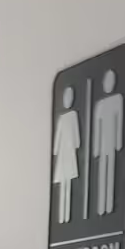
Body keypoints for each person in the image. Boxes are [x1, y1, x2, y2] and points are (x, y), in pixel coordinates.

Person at [92, 68, 125, 216]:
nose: (108, 84)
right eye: (106, 81)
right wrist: (96, 148)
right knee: (102, 172)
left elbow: (119, 122)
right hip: (103, 143)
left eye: (110, 81)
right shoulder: (100, 105)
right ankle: (101, 207)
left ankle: (109, 205)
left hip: (111, 142)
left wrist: (119, 142)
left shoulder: (118, 99)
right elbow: (97, 127)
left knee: (110, 171)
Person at [52, 84, 82, 223]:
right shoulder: (62, 119)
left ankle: (67, 215)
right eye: (65, 97)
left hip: (69, 154)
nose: (67, 100)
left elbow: (76, 136)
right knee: (63, 183)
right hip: (63, 155)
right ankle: (61, 216)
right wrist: (56, 151)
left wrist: (76, 146)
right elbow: (58, 137)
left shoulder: (73, 115)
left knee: (68, 184)